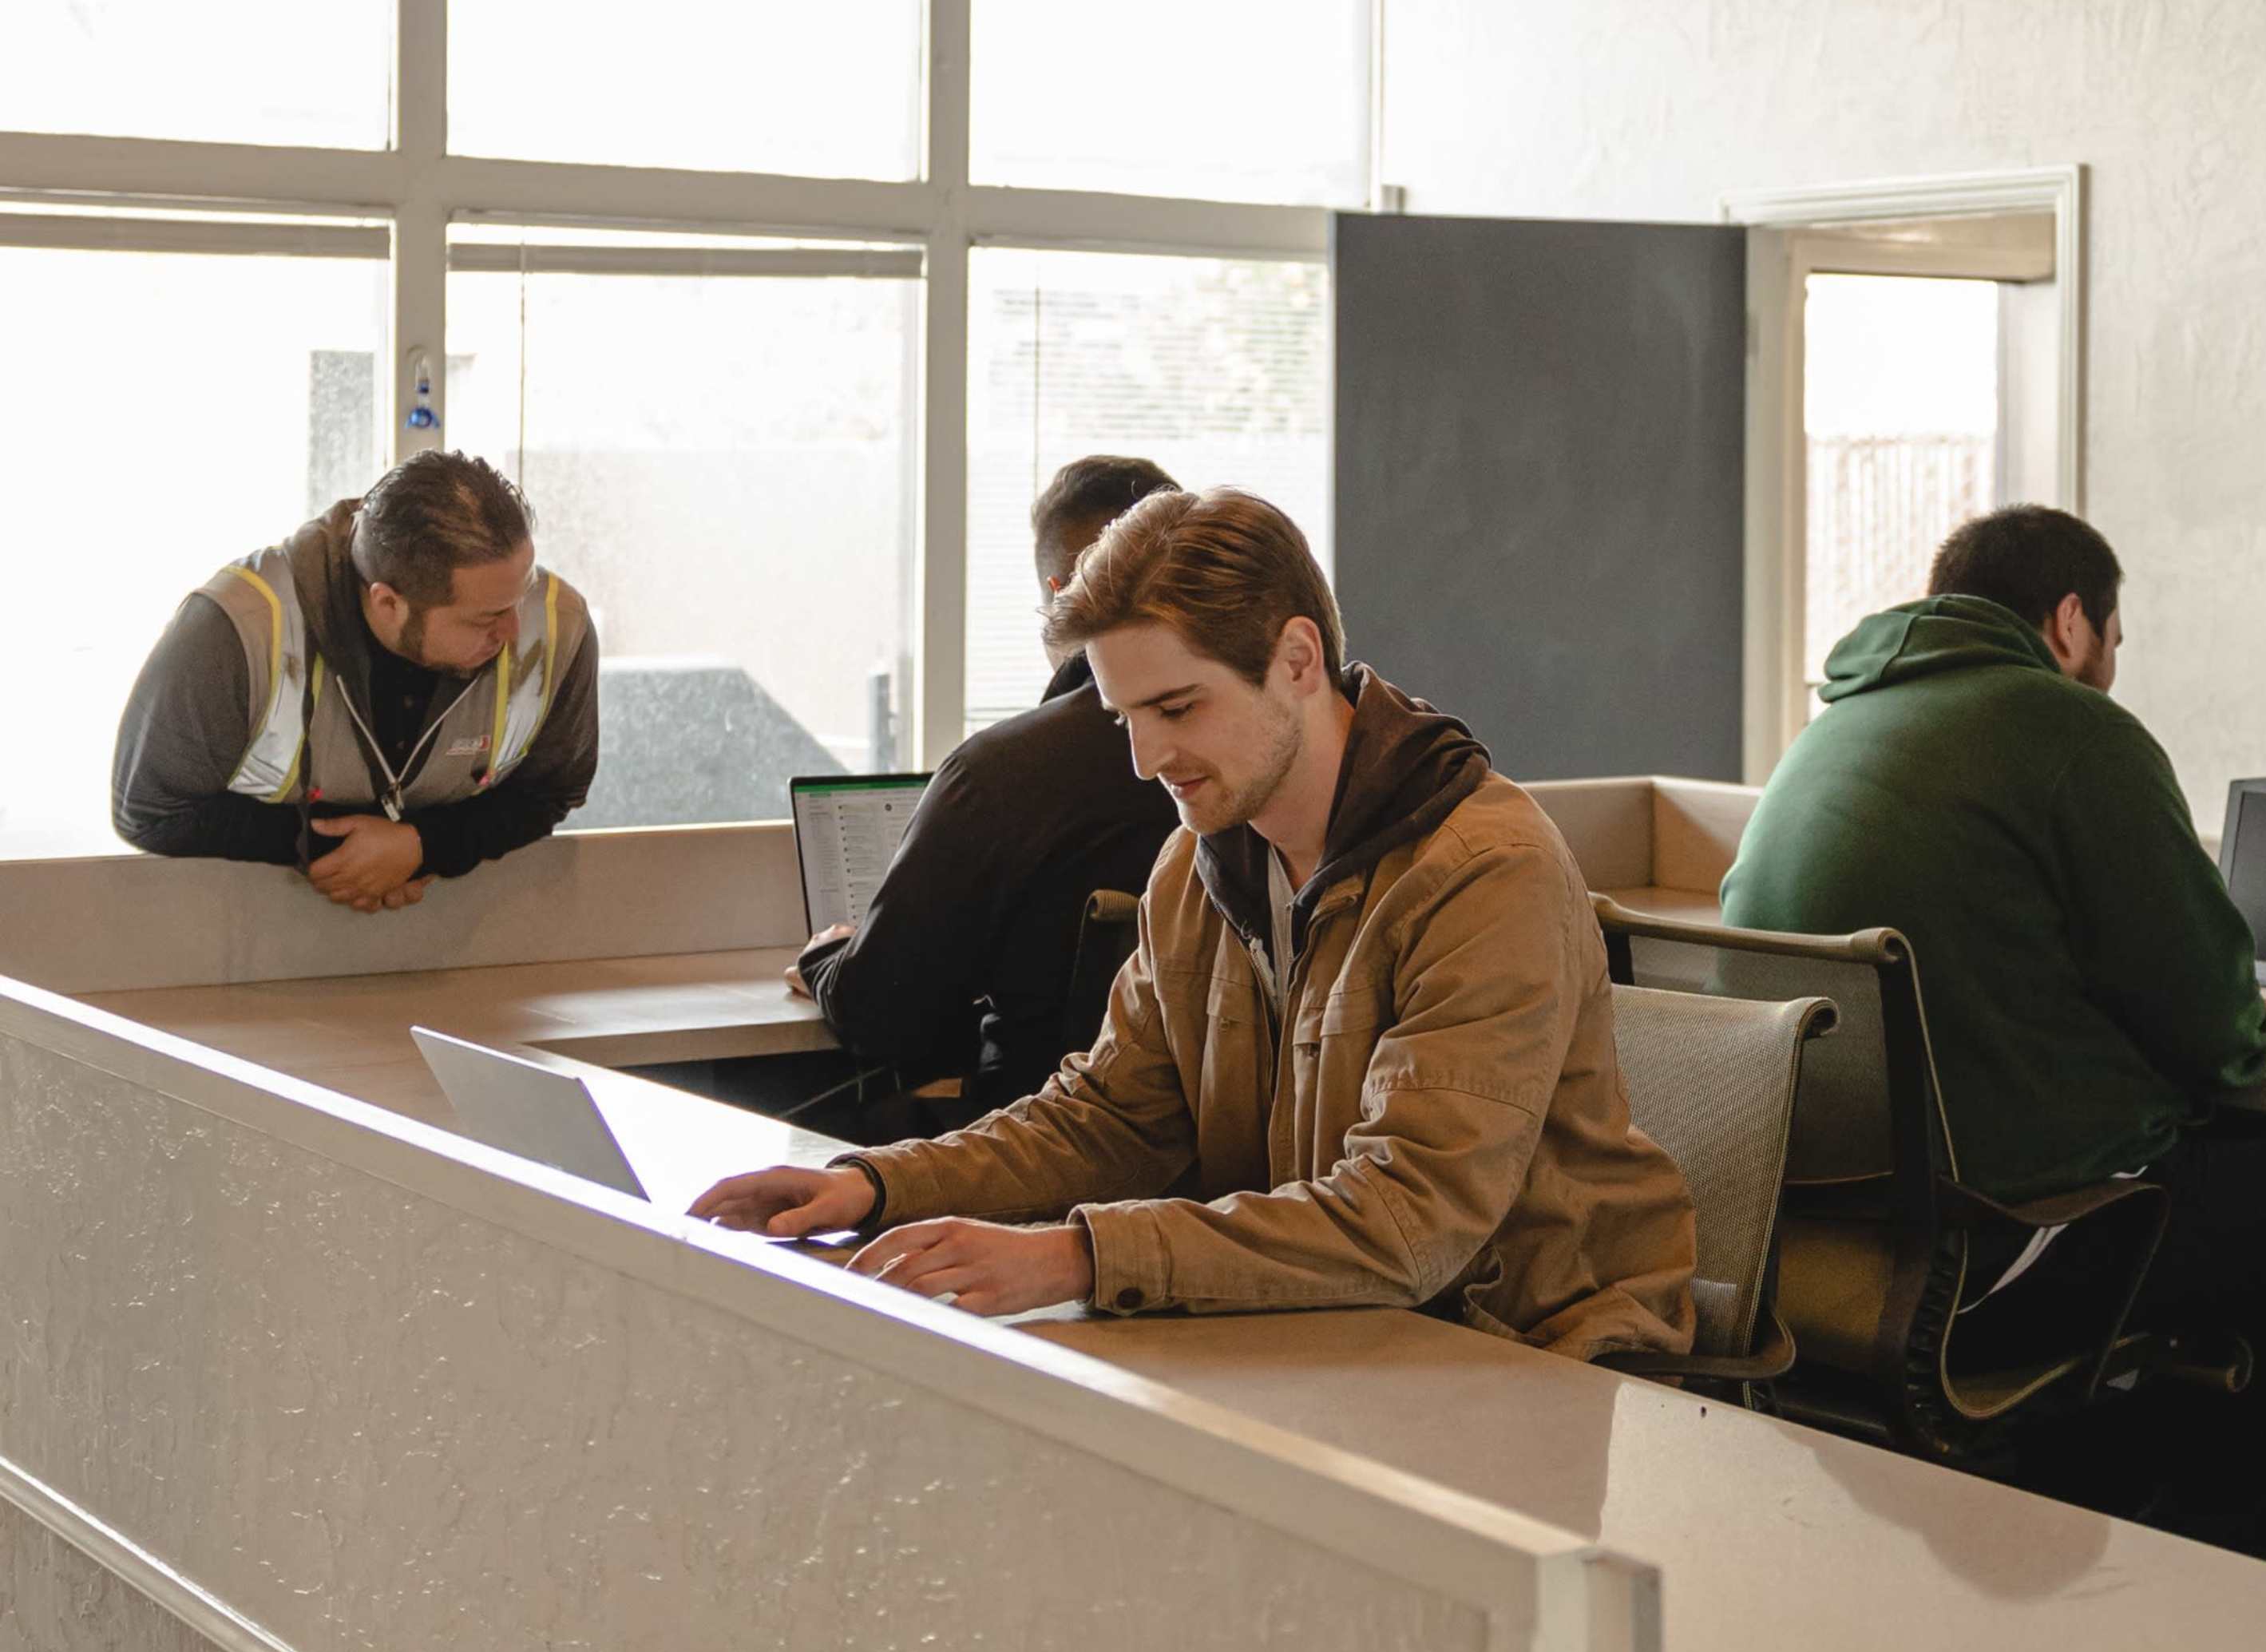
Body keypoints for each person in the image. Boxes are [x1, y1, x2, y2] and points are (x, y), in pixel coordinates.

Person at [695, 486, 1697, 1362]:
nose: (1144, 758)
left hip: (1532, 1355)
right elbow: (1110, 1118)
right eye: (1124, 715)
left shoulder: (1483, 872)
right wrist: (878, 1184)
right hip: (1341, 1330)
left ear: (1297, 659)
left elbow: (1407, 1221)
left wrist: (1077, 1254)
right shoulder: (1202, 859)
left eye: (1177, 706)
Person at [1721, 503, 2266, 1204]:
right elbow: (2210, 1029)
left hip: (1804, 1210)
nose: (2108, 673)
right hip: (1998, 1206)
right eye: (2115, 644)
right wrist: (2256, 1034)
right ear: (2072, 621)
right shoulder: (2080, 732)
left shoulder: (1831, 727)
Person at [791, 453, 1184, 1104]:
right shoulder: (1250, 765)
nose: (1154, 757)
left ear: (1061, 601)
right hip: (1201, 1158)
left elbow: (881, 1013)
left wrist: (827, 957)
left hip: (1032, 1139)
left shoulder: (999, 775)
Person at [110, 450, 600, 913]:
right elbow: (150, 810)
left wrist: (423, 847)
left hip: (462, 943)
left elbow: (554, 791)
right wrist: (333, 852)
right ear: (388, 603)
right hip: (248, 941)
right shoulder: (237, 627)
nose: (515, 631)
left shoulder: (559, 624)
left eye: (522, 594)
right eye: (485, 618)